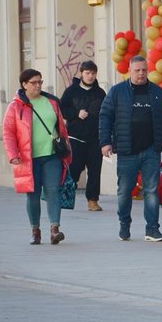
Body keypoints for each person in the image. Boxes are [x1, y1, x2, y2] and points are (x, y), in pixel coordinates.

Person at [99, 55, 162, 243]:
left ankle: (152, 229)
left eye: (144, 70)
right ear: (130, 71)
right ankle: (124, 224)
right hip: (126, 150)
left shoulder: (157, 92)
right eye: (137, 70)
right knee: (125, 190)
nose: (141, 73)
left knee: (151, 190)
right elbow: (105, 116)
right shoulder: (117, 92)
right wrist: (105, 142)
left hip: (151, 149)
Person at [3, 69, 71, 245]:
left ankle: (55, 229)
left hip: (52, 156)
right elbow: (8, 133)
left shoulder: (51, 102)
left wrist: (66, 148)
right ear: (24, 85)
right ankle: (35, 230)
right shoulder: (15, 107)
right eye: (34, 82)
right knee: (32, 195)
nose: (38, 85)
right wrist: (13, 155)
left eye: (40, 82)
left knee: (53, 191)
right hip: (28, 159)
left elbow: (61, 128)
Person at [60, 60, 106, 212]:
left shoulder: (100, 93)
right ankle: (66, 197)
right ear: (81, 74)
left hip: (95, 139)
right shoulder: (71, 91)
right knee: (74, 169)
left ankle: (93, 200)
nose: (90, 76)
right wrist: (75, 114)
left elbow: (106, 114)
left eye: (93, 73)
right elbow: (61, 109)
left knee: (94, 171)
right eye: (87, 73)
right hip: (75, 138)